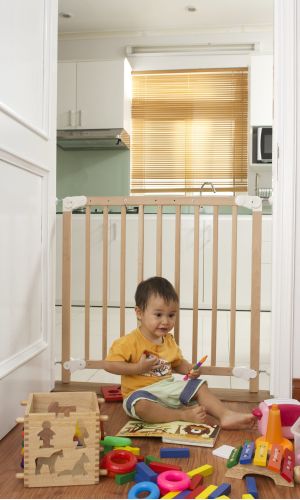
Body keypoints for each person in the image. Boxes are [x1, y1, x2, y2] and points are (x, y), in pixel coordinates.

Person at [102, 276, 255, 430]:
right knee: (142, 407)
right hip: (140, 394)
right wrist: (138, 368)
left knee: (199, 387)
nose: (166, 321)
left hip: (168, 390)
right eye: (158, 315)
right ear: (139, 313)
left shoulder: (168, 340)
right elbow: (109, 365)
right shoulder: (129, 341)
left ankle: (225, 415)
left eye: (171, 315)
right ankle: (182, 415)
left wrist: (190, 369)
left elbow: (177, 363)